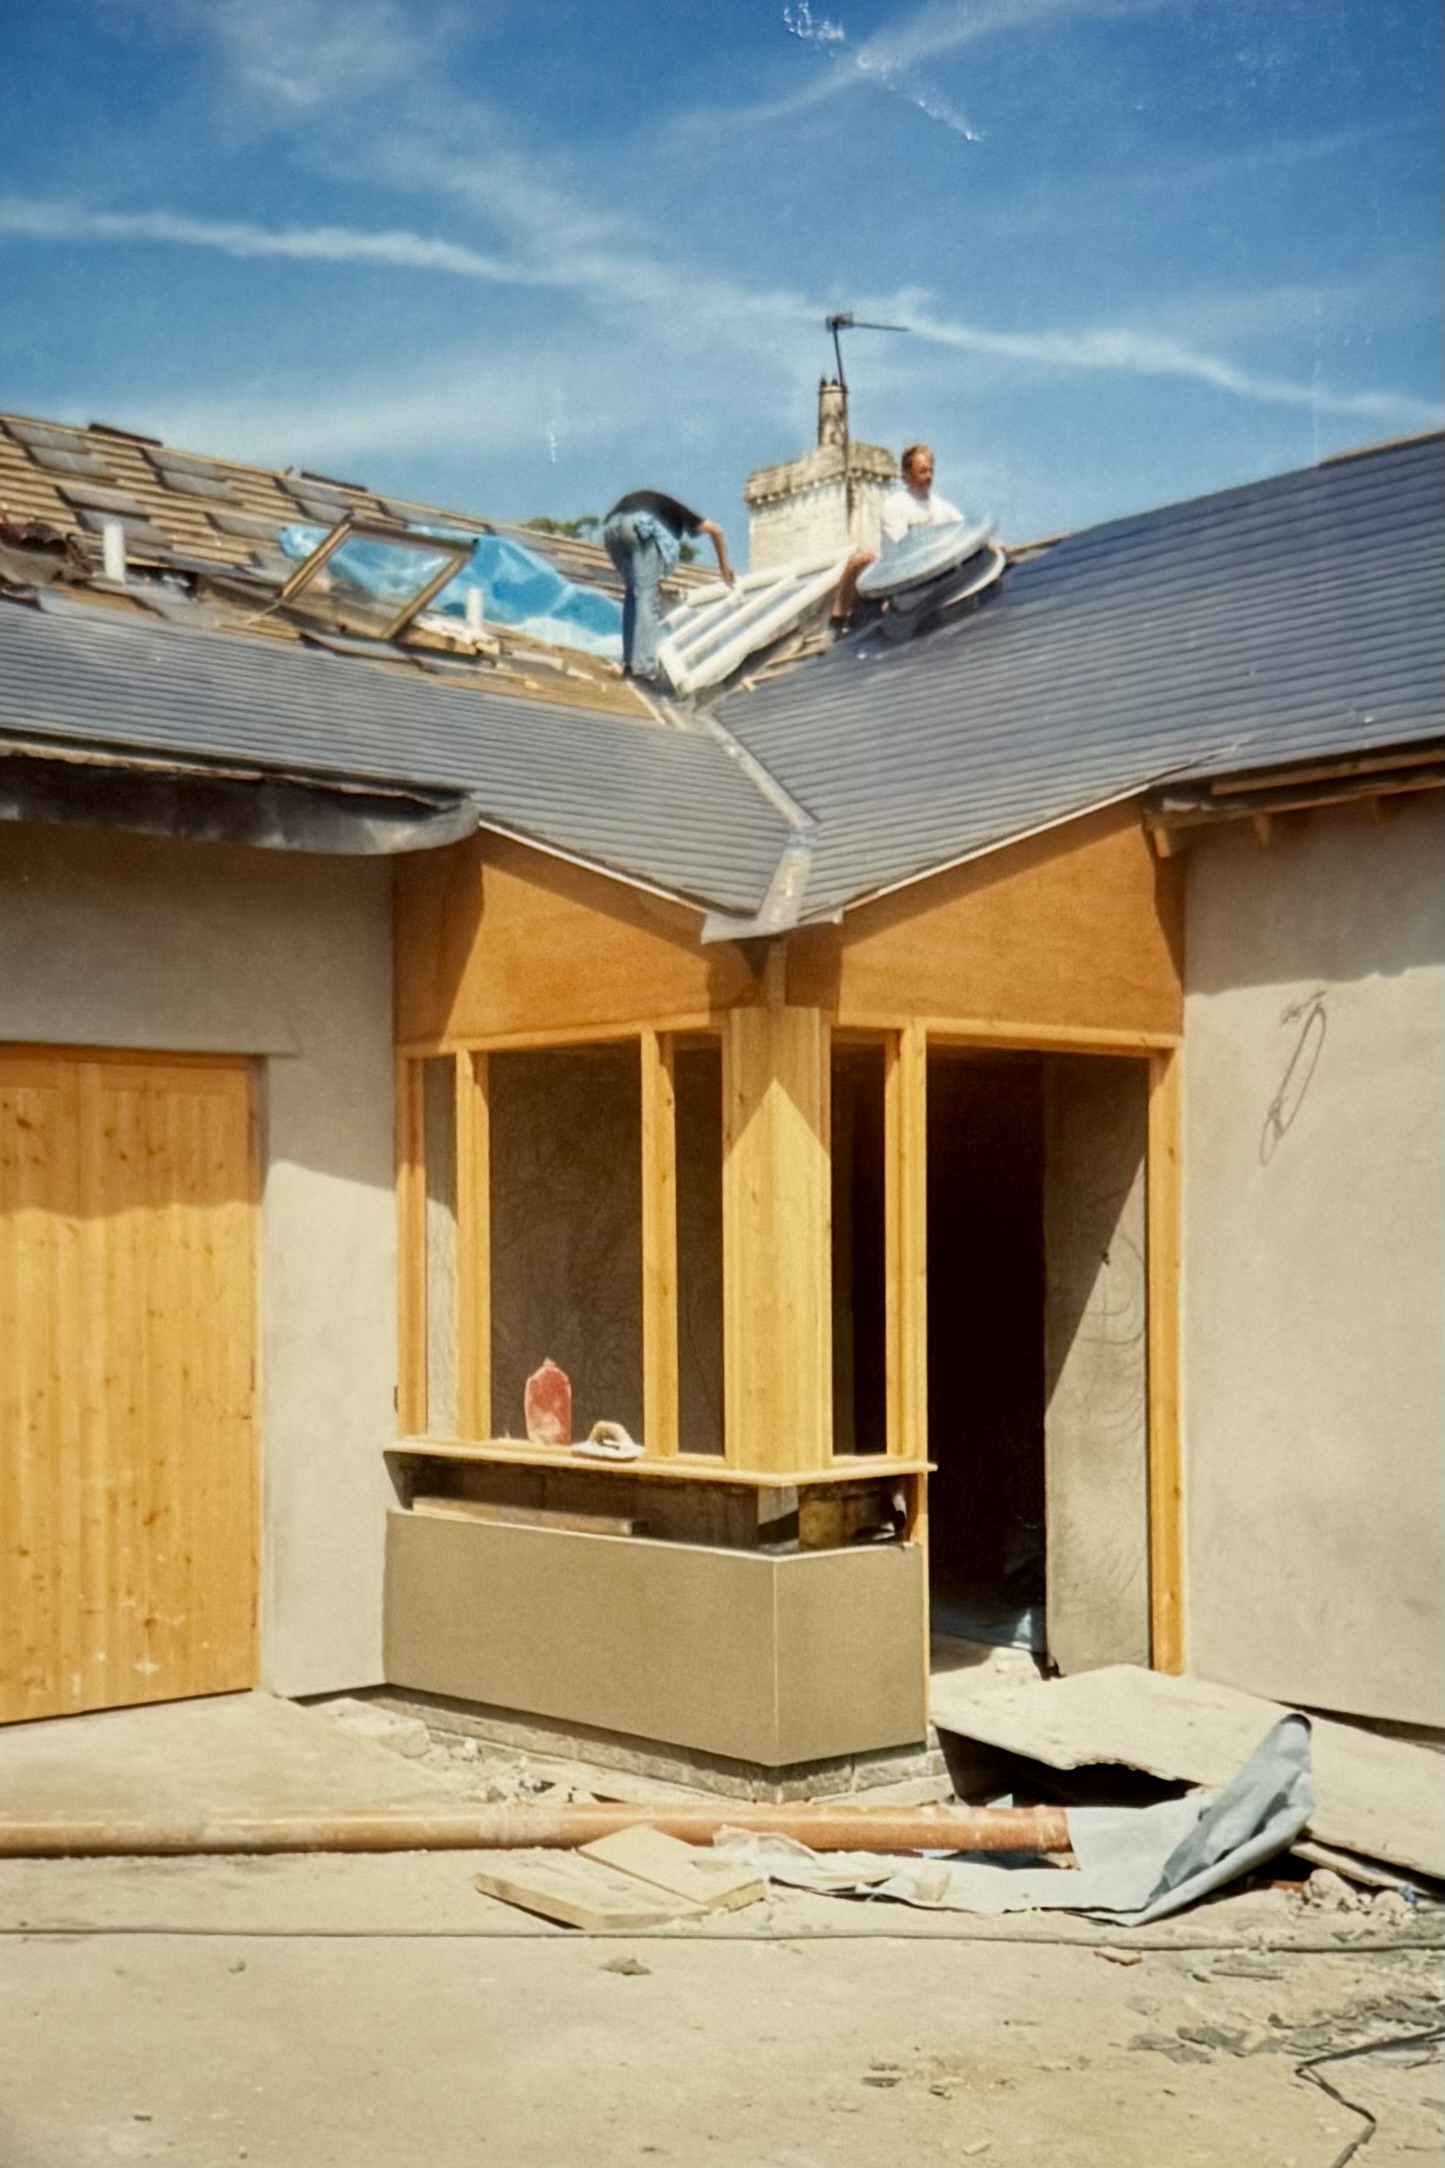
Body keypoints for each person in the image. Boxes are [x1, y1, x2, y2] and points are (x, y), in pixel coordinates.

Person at [602, 489, 735, 682]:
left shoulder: (660, 506)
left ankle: (630, 664)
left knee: (634, 593)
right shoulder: (683, 515)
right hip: (641, 526)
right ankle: (644, 668)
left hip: (612, 529)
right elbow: (716, 530)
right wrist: (724, 567)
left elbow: (645, 576)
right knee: (646, 597)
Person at [830, 443, 964, 630]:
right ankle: (837, 623)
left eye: (930, 471)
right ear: (906, 476)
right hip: (893, 572)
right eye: (922, 471)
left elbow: (962, 530)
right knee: (857, 561)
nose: (928, 477)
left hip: (934, 570)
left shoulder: (942, 508)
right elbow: (901, 551)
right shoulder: (894, 506)